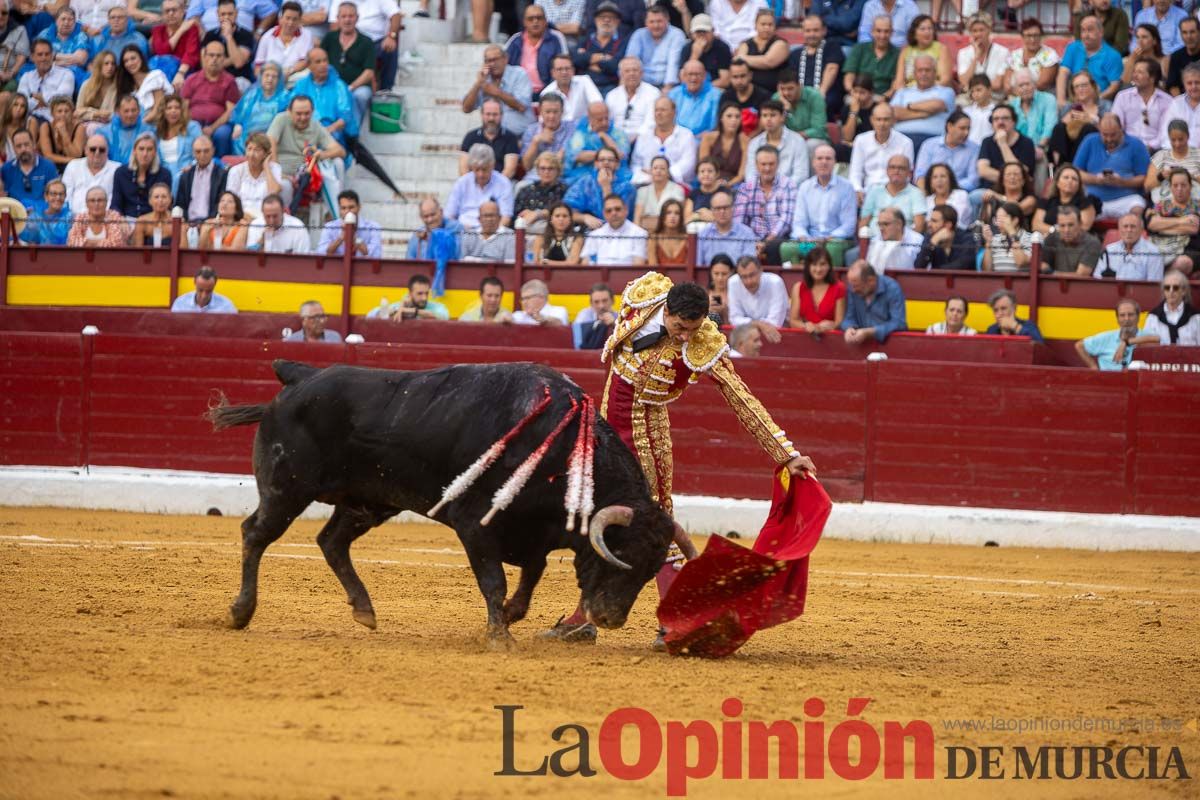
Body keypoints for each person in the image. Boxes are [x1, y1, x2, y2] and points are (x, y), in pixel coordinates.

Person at [541, 272, 815, 645]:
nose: (686, 336)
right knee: (600, 516)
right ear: (666, 310)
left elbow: (741, 397)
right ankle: (583, 617)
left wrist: (786, 454)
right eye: (681, 327)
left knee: (655, 521)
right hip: (606, 428)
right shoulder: (644, 294)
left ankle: (677, 619)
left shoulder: (703, 344)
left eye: (694, 328)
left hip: (645, 435)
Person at [267, 94, 346, 214]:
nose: (303, 117)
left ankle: (338, 210)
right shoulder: (281, 119)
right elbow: (270, 143)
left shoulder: (316, 126)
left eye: (307, 113)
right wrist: (279, 172)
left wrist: (321, 154)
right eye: (298, 114)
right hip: (283, 173)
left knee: (337, 163)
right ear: (289, 111)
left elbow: (340, 151)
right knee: (285, 185)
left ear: (312, 112)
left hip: (307, 174)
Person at [782, 143, 857, 266]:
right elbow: (799, 222)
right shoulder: (805, 187)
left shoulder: (846, 187)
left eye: (828, 158)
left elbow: (848, 225)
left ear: (835, 162)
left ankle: (832, 284)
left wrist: (828, 238)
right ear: (813, 162)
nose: (824, 162)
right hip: (810, 241)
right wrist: (805, 238)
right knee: (786, 248)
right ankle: (797, 283)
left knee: (832, 249)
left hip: (835, 241)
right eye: (820, 158)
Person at [1074, 114, 1150, 220]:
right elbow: (1076, 172)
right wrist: (1096, 179)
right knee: (1078, 213)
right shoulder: (1089, 141)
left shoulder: (1136, 144)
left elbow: (1143, 178)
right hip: (1094, 199)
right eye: (1105, 135)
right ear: (1099, 129)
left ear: (1121, 129)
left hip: (1126, 198)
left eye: (1113, 135)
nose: (1109, 139)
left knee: (1138, 208)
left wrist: (1121, 182)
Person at [733, 145, 796, 263]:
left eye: (771, 164)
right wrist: (752, 242)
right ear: (757, 165)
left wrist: (766, 242)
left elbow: (786, 220)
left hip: (778, 238)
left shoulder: (788, 185)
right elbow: (739, 221)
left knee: (774, 246)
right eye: (763, 164)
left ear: (778, 164)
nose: (767, 168)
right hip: (751, 238)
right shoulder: (746, 187)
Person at [181, 38, 239, 155]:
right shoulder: (191, 79)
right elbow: (183, 107)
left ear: (224, 59)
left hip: (219, 125)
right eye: (211, 55)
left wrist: (212, 128)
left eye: (218, 56)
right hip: (193, 123)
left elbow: (230, 111)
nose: (214, 59)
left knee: (222, 134)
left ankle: (220, 168)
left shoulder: (229, 81)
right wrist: (193, 126)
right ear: (204, 56)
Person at [320, 2, 375, 124]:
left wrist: (350, 87)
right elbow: (319, 61)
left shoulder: (367, 42)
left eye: (351, 16)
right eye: (343, 16)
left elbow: (369, 72)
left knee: (361, 96)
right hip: (331, 84)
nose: (347, 20)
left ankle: (353, 133)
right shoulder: (330, 38)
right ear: (338, 19)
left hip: (357, 87)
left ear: (357, 18)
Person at [462, 45, 533, 138]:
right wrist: (478, 84)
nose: (492, 64)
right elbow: (466, 109)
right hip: (493, 137)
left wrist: (495, 92)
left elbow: (522, 106)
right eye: (488, 61)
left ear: (505, 59)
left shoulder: (519, 74)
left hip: (521, 136)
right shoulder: (484, 80)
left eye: (495, 59)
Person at [975, 103, 1035, 209]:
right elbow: (983, 170)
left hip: (1019, 194)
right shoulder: (987, 141)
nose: (1000, 122)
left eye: (1005, 118)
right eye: (996, 119)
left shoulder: (1026, 142)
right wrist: (1010, 178)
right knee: (975, 197)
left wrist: (1003, 144)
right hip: (990, 190)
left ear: (1014, 121)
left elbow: (1022, 172)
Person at [849, 102, 913, 199]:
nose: (882, 124)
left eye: (886, 119)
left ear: (893, 121)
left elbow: (907, 175)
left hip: (895, 192)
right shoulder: (861, 140)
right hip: (867, 192)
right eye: (878, 119)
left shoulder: (906, 142)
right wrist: (857, 190)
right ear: (872, 120)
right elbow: (855, 172)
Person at [562, 145, 634, 229]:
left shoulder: (627, 187)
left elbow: (618, 218)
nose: (606, 162)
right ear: (596, 164)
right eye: (602, 159)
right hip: (586, 229)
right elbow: (566, 211)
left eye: (610, 160)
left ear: (617, 164)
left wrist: (606, 187)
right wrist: (584, 217)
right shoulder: (585, 182)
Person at [446, 143, 515, 230]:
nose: (481, 174)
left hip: (492, 232)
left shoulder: (504, 183)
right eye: (477, 169)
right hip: (463, 230)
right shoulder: (461, 183)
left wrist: (493, 236)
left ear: (492, 166)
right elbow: (449, 216)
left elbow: (506, 217)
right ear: (471, 167)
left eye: (485, 169)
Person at [629, 95, 696, 185]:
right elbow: (636, 164)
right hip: (646, 184)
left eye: (663, 110)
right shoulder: (644, 135)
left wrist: (662, 175)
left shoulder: (686, 135)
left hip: (676, 184)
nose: (658, 113)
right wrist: (648, 177)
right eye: (656, 110)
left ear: (673, 113)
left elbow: (688, 164)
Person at [1058, 14, 1122, 104]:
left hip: (1099, 101)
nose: (1086, 35)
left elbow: (1114, 86)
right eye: (1083, 30)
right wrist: (1061, 100)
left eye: (1090, 30)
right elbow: (1063, 73)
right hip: (1073, 99)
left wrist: (1093, 102)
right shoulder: (1073, 48)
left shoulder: (1113, 55)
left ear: (1101, 32)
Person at [504, 4, 568, 95]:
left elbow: (563, 65)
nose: (535, 21)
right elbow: (502, 65)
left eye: (539, 18)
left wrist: (551, 92)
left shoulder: (556, 38)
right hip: (518, 93)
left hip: (549, 92)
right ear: (524, 22)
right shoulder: (515, 40)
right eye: (530, 19)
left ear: (546, 20)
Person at [1111, 58, 1170, 156]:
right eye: (1134, 71)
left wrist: (1150, 147)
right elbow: (1116, 126)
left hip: (1156, 151)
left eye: (1140, 72)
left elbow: (1165, 133)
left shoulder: (1167, 101)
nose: (1134, 75)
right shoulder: (1122, 97)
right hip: (1126, 148)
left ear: (1152, 78)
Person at [744, 98, 809, 187]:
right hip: (760, 193)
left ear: (782, 117)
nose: (768, 119)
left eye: (773, 115)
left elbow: (801, 175)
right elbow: (750, 174)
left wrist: (780, 189)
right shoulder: (754, 143)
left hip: (789, 193)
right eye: (765, 115)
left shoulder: (798, 141)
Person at [1146, 167, 1200, 273]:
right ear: (1170, 187)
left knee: (1182, 263)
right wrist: (1182, 221)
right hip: (1161, 246)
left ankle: (1162, 282)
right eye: (1175, 185)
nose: (1179, 189)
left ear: (1190, 186)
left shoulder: (1197, 206)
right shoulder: (1161, 205)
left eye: (1183, 185)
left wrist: (1162, 228)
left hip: (1190, 250)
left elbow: (1193, 228)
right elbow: (1152, 224)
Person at [1075, 299, 1154, 371]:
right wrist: (1094, 367)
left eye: (1130, 315)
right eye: (1122, 315)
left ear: (1138, 317)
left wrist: (1126, 342)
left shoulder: (1147, 336)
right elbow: (1079, 346)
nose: (1126, 319)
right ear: (1117, 319)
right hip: (1109, 382)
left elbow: (1159, 339)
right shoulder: (1107, 337)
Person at [562, 101, 630, 184]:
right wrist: (605, 156)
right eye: (600, 120)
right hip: (583, 175)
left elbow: (621, 155)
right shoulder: (580, 134)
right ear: (590, 119)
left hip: (615, 175)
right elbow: (576, 156)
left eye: (606, 118)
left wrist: (606, 138)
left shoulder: (618, 133)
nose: (604, 122)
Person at [914, 109, 979, 194]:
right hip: (930, 192)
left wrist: (947, 188)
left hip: (959, 192)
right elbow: (920, 174)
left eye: (968, 129)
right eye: (962, 128)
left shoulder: (974, 148)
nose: (966, 133)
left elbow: (973, 180)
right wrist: (925, 192)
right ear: (949, 126)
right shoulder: (929, 145)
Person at [860, 154, 925, 238]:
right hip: (873, 242)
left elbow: (919, 226)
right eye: (892, 167)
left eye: (901, 168)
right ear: (887, 170)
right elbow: (864, 222)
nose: (896, 171)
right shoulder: (875, 191)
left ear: (909, 173)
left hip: (903, 244)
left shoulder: (916, 193)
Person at [841, 260, 907, 343]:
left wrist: (871, 332)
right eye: (851, 285)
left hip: (890, 345)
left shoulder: (892, 289)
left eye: (856, 286)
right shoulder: (853, 289)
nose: (853, 290)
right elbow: (849, 318)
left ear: (871, 281)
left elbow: (899, 323)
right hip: (860, 346)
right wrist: (849, 328)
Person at [229, 60, 286, 154]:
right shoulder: (251, 94)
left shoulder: (285, 97)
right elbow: (240, 113)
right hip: (248, 134)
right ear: (261, 77)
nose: (270, 79)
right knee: (238, 139)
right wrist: (238, 124)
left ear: (279, 79)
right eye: (267, 75)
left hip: (271, 136)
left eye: (274, 76)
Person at [571, 1, 627, 96]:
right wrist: (604, 57)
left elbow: (615, 66)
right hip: (584, 85)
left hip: (610, 87)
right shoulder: (585, 40)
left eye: (611, 17)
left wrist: (588, 61)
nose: (606, 20)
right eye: (602, 17)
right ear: (595, 20)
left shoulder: (622, 42)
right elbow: (575, 60)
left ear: (617, 22)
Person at [224, 132, 286, 217]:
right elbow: (230, 201)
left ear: (266, 154)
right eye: (249, 149)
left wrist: (266, 167)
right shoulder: (236, 171)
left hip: (266, 216)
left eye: (257, 150)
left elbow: (274, 192)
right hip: (241, 217)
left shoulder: (275, 168)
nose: (251, 154)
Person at [111, 132, 172, 218]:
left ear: (155, 152)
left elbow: (166, 204)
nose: (145, 154)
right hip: (127, 219)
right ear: (134, 151)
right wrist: (120, 219)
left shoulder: (164, 174)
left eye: (149, 149)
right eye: (141, 149)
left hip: (153, 220)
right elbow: (116, 204)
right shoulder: (121, 173)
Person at [625, 4, 684, 89]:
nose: (656, 25)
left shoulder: (677, 35)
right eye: (652, 22)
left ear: (667, 20)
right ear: (646, 22)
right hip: (640, 85)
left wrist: (667, 88)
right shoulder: (639, 34)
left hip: (665, 84)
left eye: (659, 21)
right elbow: (630, 61)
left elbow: (673, 64)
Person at [788, 245, 845, 332]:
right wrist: (806, 326)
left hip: (830, 339)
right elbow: (793, 321)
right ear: (808, 267)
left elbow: (840, 322)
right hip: (805, 338)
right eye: (814, 264)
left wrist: (831, 326)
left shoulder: (839, 287)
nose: (818, 269)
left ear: (829, 266)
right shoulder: (798, 287)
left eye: (822, 264)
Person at [773, 69, 828, 159]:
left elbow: (819, 130)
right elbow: (774, 129)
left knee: (810, 145)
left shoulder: (815, 97)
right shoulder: (777, 99)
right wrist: (784, 111)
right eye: (783, 89)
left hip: (812, 140)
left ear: (800, 86)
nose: (786, 93)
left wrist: (794, 137)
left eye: (790, 89)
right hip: (786, 140)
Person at [726, 254, 786, 336]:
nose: (749, 281)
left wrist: (751, 324)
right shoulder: (733, 282)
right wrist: (758, 324)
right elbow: (734, 319)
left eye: (752, 275)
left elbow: (776, 322)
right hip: (747, 336)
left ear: (761, 270)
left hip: (778, 336)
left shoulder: (775, 282)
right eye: (743, 277)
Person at [460, 98, 520, 179]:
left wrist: (493, 187)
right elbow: (463, 169)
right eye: (488, 114)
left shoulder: (510, 138)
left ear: (501, 115)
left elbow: (509, 170)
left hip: (501, 184)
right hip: (474, 184)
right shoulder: (470, 137)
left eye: (495, 114)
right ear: (481, 115)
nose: (491, 118)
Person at [17, 39, 74, 124]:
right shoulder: (26, 77)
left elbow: (62, 100)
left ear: (52, 56)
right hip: (28, 120)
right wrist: (43, 102)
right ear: (32, 57)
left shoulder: (66, 74)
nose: (44, 58)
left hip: (54, 121)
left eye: (47, 54)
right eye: (40, 55)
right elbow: (21, 102)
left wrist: (42, 98)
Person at [1033, 164, 1100, 236]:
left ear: (1079, 185)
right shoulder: (1046, 202)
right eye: (1066, 177)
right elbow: (1036, 225)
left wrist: (1056, 232)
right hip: (1047, 240)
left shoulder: (1086, 203)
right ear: (1057, 182)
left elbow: (1084, 228)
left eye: (1074, 179)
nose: (1070, 180)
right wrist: (1054, 230)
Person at [891, 14, 951, 94]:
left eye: (930, 29)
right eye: (923, 29)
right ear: (914, 34)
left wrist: (923, 91)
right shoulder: (906, 51)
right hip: (909, 93)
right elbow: (899, 82)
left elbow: (945, 80)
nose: (927, 32)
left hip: (935, 92)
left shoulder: (941, 49)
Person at [580, 193, 647, 265]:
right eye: (609, 210)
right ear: (604, 214)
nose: (613, 213)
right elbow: (585, 264)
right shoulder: (594, 235)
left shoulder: (640, 234)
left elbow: (638, 265)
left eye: (617, 209)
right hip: (598, 275)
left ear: (626, 210)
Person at [253, 1, 312, 82]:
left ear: (300, 21)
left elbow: (304, 61)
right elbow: (258, 65)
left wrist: (288, 72)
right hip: (271, 78)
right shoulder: (267, 36)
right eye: (287, 18)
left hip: (295, 76)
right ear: (280, 19)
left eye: (295, 19)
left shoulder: (306, 35)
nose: (290, 23)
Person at [844, 15, 898, 103]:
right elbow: (849, 76)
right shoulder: (859, 48)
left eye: (886, 31)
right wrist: (854, 93)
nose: (882, 35)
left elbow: (896, 83)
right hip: (858, 95)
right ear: (872, 31)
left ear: (892, 33)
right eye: (878, 31)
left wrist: (885, 97)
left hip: (883, 97)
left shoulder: (897, 53)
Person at [696, 187, 756, 265]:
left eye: (726, 207)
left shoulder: (747, 233)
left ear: (733, 208)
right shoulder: (703, 234)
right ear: (711, 210)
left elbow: (748, 266)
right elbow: (698, 264)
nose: (722, 212)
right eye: (718, 208)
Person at [735, 8, 788, 96]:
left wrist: (743, 58)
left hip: (774, 93)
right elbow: (739, 65)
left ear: (775, 26)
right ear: (755, 25)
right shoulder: (745, 44)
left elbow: (769, 61)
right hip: (749, 92)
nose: (766, 28)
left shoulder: (781, 43)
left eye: (770, 24)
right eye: (763, 24)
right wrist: (742, 59)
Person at [202, 0, 255, 87]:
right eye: (223, 14)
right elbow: (205, 65)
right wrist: (230, 60)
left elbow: (238, 62)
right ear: (217, 14)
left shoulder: (246, 35)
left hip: (237, 79)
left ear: (236, 13)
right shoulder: (210, 35)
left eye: (230, 14)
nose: (226, 17)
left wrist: (229, 37)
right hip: (213, 78)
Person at [175, 134, 226, 223]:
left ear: (213, 151)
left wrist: (209, 221)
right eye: (198, 151)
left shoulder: (222, 174)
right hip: (188, 223)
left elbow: (220, 203)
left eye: (206, 151)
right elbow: (180, 204)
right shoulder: (185, 176)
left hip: (211, 222)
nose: (202, 155)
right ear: (193, 153)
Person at [34, 6, 89, 89]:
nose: (66, 23)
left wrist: (54, 56)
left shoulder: (81, 36)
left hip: (73, 73)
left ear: (75, 22)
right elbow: (37, 56)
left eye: (70, 19)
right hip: (47, 71)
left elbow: (80, 59)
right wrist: (71, 59)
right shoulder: (45, 34)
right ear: (56, 21)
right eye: (63, 19)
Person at [63, 134, 120, 213]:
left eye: (102, 150)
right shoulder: (73, 166)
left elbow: (119, 200)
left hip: (106, 220)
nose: (97, 153)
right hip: (74, 219)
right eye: (93, 149)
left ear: (107, 151)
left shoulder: (117, 169)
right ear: (85, 150)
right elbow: (66, 196)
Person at [956, 12, 1009, 98]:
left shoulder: (1002, 52)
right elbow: (964, 81)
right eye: (974, 31)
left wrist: (976, 90)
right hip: (971, 98)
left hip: (994, 98)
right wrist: (976, 56)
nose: (978, 34)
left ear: (989, 30)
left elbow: (997, 84)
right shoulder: (963, 53)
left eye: (981, 30)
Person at [606, 57, 659, 141]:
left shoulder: (653, 93)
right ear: (621, 74)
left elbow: (651, 123)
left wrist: (635, 139)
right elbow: (608, 121)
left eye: (635, 70)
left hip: (643, 139)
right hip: (615, 140)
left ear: (641, 73)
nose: (631, 74)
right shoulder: (612, 95)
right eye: (627, 71)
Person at [1096, 213, 1162, 281]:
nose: (1129, 230)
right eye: (1125, 226)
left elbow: (1154, 287)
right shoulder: (1108, 250)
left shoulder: (1153, 252)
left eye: (1133, 226)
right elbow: (1098, 280)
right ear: (1119, 229)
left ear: (1141, 230)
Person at [514, 151, 569, 233]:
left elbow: (564, 214)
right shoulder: (526, 190)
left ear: (558, 170)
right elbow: (518, 216)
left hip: (553, 232)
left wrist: (538, 214)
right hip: (526, 230)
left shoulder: (564, 190)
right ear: (537, 170)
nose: (546, 172)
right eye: (543, 168)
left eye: (550, 168)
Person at [1148, 119, 1200, 205]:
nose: (1177, 144)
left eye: (1181, 139)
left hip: (1194, 204)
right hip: (1164, 205)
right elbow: (1147, 186)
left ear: (1188, 136)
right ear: (1169, 138)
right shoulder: (1161, 156)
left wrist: (1190, 176)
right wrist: (1161, 177)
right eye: (1173, 140)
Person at [117, 44, 172, 125]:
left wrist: (142, 124)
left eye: (133, 58)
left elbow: (159, 108)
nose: (130, 63)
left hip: (159, 123)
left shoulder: (155, 76)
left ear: (141, 58)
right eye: (126, 61)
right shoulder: (127, 87)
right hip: (137, 125)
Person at [1, 128, 56, 209]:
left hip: (41, 217)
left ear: (33, 144)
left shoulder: (48, 167)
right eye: (19, 146)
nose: (23, 149)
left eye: (26, 144)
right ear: (14, 149)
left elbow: (54, 198)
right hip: (15, 216)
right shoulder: (6, 169)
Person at [151, 0, 201, 87]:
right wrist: (180, 31)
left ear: (182, 12)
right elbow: (161, 51)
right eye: (167, 11)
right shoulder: (158, 30)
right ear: (162, 14)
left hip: (184, 71)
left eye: (174, 10)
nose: (171, 13)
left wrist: (180, 73)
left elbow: (191, 54)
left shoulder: (191, 29)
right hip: (162, 72)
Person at [318, 190, 382, 258]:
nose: (347, 212)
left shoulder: (373, 227)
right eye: (343, 208)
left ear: (359, 207)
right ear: (339, 210)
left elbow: (375, 255)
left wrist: (354, 238)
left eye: (351, 207)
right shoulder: (330, 227)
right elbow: (321, 253)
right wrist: (341, 238)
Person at [154, 95, 200, 188]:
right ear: (163, 111)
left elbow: (202, 149)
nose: (173, 111)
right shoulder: (157, 131)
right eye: (169, 108)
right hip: (163, 172)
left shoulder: (192, 127)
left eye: (177, 108)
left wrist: (192, 166)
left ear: (182, 111)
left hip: (186, 170)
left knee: (178, 179)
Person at [1003, 18, 1059, 95]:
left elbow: (1042, 84)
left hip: (1040, 98)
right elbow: (1007, 85)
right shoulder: (1014, 55)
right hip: (1015, 99)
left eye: (1036, 35)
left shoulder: (1049, 55)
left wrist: (1021, 92)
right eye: (1028, 36)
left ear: (1041, 36)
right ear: (1022, 36)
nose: (1032, 39)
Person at [540, 54, 600, 125]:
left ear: (573, 70)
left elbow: (598, 105)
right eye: (560, 69)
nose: (564, 72)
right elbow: (544, 121)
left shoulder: (585, 81)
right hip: (560, 132)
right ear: (553, 73)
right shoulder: (546, 93)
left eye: (567, 68)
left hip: (584, 129)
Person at [1039, 206, 1102, 274]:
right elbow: (1042, 266)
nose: (1066, 230)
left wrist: (1051, 273)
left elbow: (1081, 276)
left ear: (1080, 224)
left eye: (1071, 225)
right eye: (1062, 225)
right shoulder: (1052, 238)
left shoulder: (1092, 243)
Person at [1143, 269, 1200, 344]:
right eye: (1167, 288)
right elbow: (1147, 346)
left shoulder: (1196, 317)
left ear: (1183, 291)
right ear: (1163, 291)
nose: (1171, 291)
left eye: (1175, 288)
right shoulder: (1153, 317)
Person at [697, 101, 747, 185]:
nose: (733, 120)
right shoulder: (708, 138)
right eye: (729, 116)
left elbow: (741, 175)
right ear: (721, 118)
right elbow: (703, 167)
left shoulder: (745, 141)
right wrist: (715, 184)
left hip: (734, 184)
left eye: (737, 116)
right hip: (709, 181)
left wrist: (727, 185)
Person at [668, 58, 721, 136]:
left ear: (704, 76)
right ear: (684, 76)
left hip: (703, 141)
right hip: (677, 140)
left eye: (697, 74)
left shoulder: (716, 95)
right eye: (690, 74)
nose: (693, 78)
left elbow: (714, 125)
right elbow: (668, 121)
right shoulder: (674, 94)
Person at [915, 204, 975, 270]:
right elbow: (918, 266)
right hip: (938, 280)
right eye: (930, 221)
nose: (929, 224)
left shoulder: (967, 238)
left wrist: (936, 271)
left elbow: (963, 264)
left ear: (948, 225)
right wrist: (932, 243)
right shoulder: (930, 237)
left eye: (934, 221)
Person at [246, 193, 311, 253]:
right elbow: (250, 258)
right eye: (267, 216)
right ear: (262, 213)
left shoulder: (298, 227)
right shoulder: (255, 225)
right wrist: (261, 241)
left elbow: (303, 258)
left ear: (283, 211)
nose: (271, 221)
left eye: (275, 216)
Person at [979, 161, 1036, 229]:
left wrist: (999, 197)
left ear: (1023, 180)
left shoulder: (1030, 199)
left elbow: (1017, 209)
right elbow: (985, 221)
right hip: (995, 237)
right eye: (1008, 174)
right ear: (1002, 180)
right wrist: (985, 203)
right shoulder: (994, 199)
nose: (1012, 177)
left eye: (1016, 174)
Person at [680, 13, 730, 90]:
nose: (701, 35)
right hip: (691, 88)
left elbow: (725, 80)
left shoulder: (722, 48)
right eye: (698, 32)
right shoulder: (687, 48)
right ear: (692, 34)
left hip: (714, 88)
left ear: (712, 31)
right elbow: (683, 78)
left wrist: (702, 88)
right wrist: (694, 56)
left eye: (705, 32)